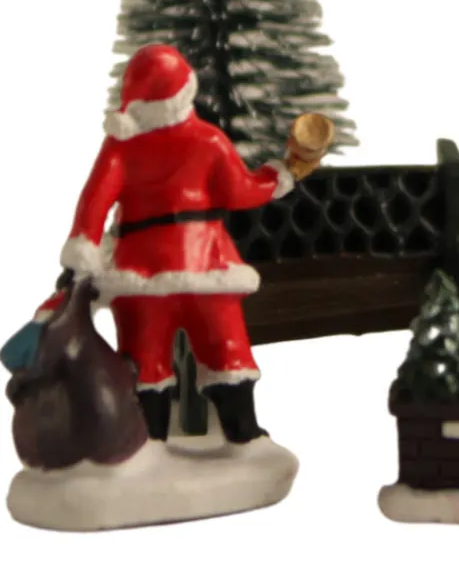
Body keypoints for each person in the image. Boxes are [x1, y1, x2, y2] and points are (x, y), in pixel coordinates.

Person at [3, 44, 306, 443]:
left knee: (144, 361)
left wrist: (84, 250)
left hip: (139, 271)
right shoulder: (209, 140)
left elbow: (95, 201)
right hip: (206, 264)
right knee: (226, 349)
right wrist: (277, 177)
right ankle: (242, 432)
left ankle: (151, 441)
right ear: (185, 91)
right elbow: (240, 192)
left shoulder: (121, 147)